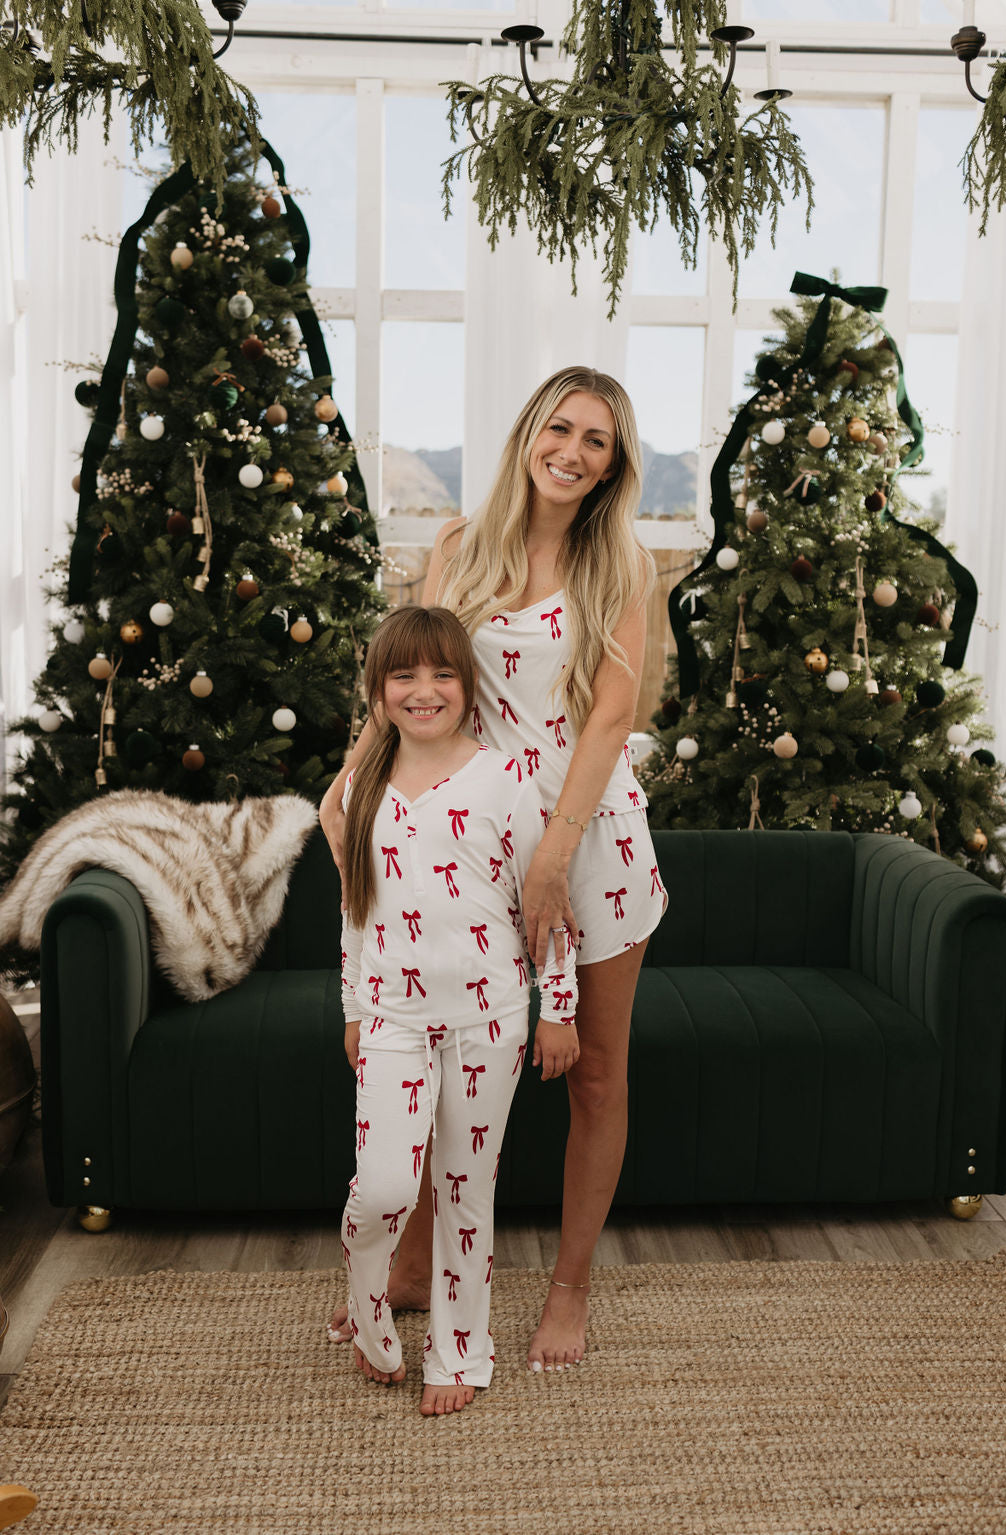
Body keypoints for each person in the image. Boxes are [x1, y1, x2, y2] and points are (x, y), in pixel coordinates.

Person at [322, 365, 666, 1373]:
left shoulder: (621, 567)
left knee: (594, 1072)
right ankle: (418, 1255)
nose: (571, 450)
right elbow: (412, 672)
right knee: (439, 1043)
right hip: (466, 841)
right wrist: (350, 777)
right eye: (558, 428)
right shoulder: (458, 549)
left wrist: (553, 857)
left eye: (595, 440)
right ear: (527, 436)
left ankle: (568, 1284)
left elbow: (608, 720)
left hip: (587, 842)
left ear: (612, 465)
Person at [337, 604, 579, 1416]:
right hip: (393, 1020)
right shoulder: (361, 787)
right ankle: (370, 1307)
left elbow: (547, 902)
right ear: (379, 692)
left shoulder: (506, 779)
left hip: (491, 1017)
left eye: (442, 673)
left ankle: (460, 1349)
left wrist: (560, 1008)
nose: (424, 689)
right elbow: (355, 909)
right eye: (403, 674)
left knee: (466, 1191)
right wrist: (353, 1006)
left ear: (468, 687)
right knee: (381, 1190)